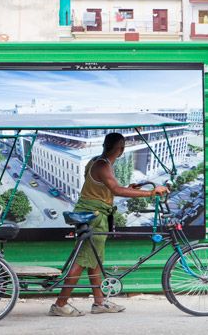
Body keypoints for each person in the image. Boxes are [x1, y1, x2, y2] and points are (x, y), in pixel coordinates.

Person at [49, 132, 169, 317]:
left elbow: (103, 189)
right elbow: (115, 189)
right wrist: (152, 193)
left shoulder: (97, 161)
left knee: (94, 260)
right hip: (93, 217)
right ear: (120, 149)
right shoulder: (103, 164)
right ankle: (60, 304)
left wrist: (130, 189)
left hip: (93, 214)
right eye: (122, 147)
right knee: (82, 260)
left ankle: (99, 302)